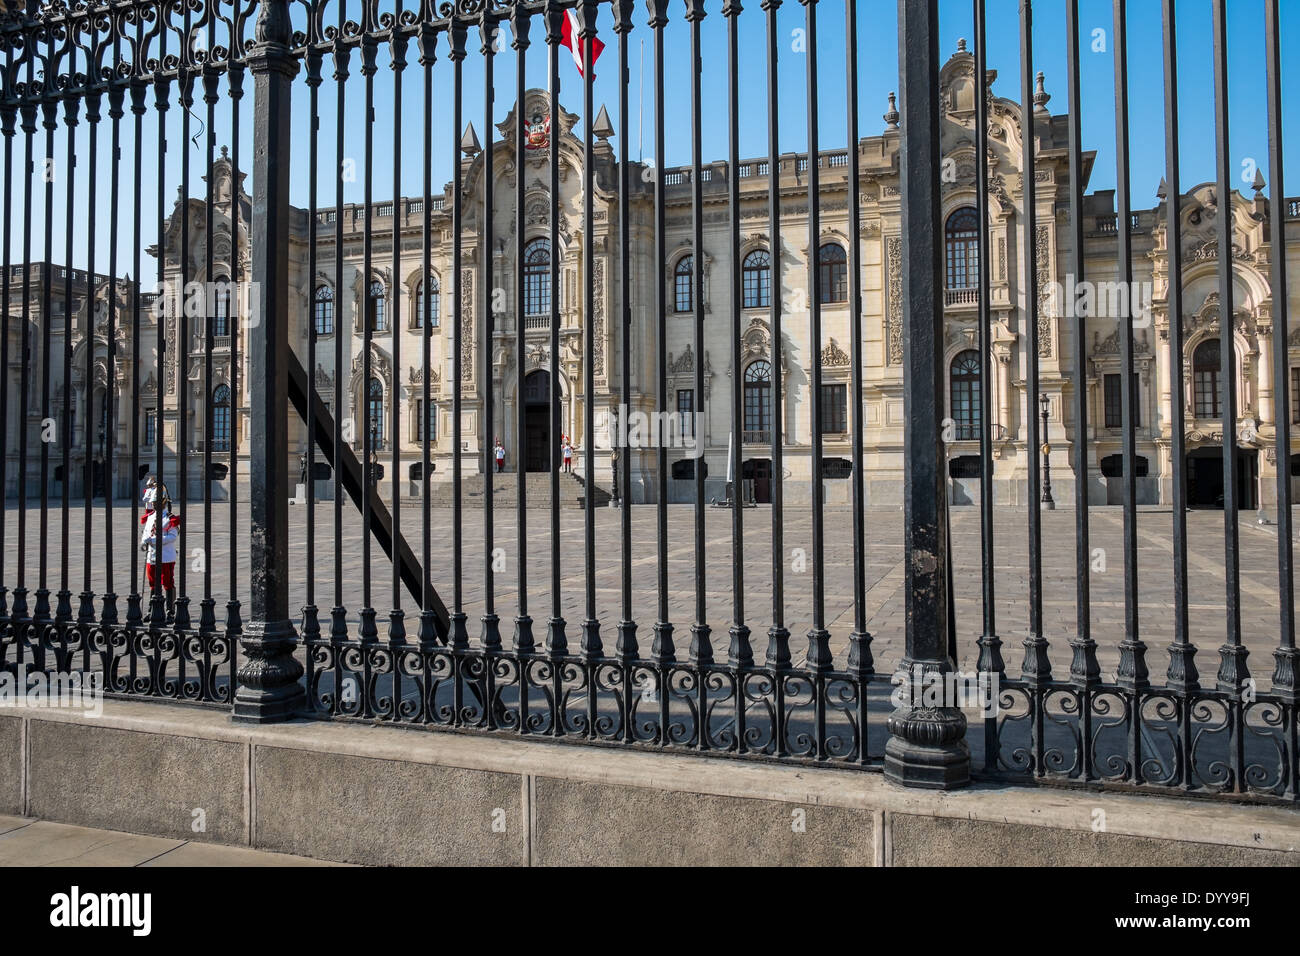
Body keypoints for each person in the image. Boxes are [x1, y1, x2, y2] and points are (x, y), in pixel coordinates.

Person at [140, 492, 181, 624]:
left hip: (165, 556)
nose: (153, 505)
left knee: (167, 582)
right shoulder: (151, 517)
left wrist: (155, 539)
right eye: (153, 503)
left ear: (163, 502)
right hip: (151, 555)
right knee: (153, 582)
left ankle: (170, 611)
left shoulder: (170, 518)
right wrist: (143, 542)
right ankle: (152, 609)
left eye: (156, 502)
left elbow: (173, 536)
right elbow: (146, 532)